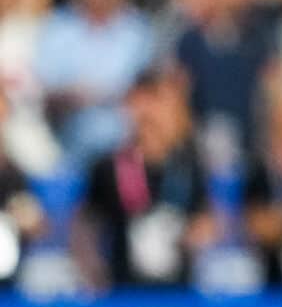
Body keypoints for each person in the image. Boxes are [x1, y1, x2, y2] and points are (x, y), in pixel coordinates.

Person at [74, 64, 217, 290]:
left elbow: (206, 218)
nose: (153, 114)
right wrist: (94, 274)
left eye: (164, 104)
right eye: (147, 103)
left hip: (178, 293)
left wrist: (199, 232)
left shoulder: (189, 167)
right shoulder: (109, 167)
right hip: (123, 292)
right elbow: (85, 225)